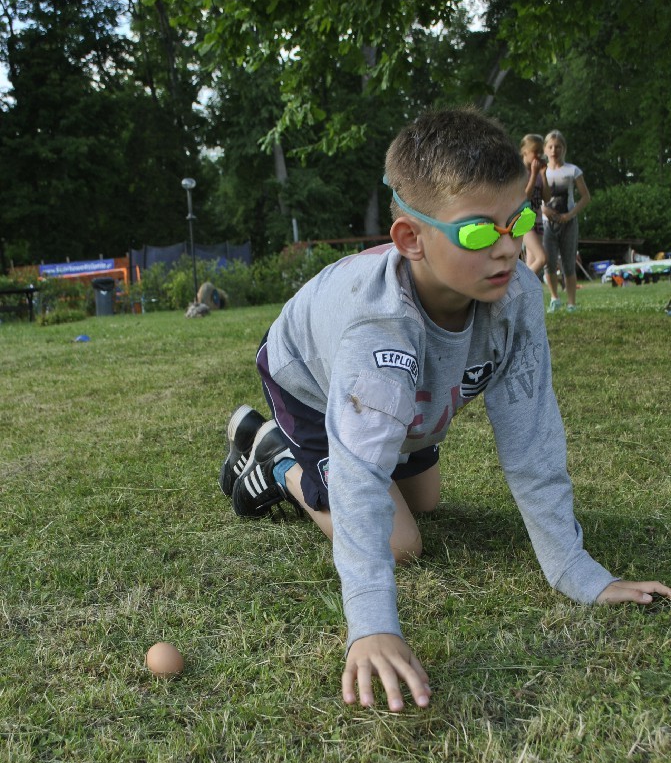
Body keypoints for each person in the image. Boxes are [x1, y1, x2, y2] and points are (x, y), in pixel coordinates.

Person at [219, 106, 670, 713]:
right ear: (411, 238)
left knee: (426, 500)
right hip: (312, 382)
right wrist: (372, 624)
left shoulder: (517, 298)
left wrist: (578, 572)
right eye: (479, 232)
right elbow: (360, 476)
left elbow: (531, 443)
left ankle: (310, 453)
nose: (509, 248)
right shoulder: (377, 333)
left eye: (519, 220)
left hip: (406, 392)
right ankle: (276, 456)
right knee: (401, 541)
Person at [542, 129, 591, 313]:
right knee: (548, 262)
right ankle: (555, 298)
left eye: (558, 147)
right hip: (547, 224)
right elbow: (532, 197)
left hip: (568, 222)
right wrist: (543, 210)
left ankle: (571, 303)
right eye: (550, 147)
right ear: (545, 149)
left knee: (569, 263)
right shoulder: (541, 172)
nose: (554, 150)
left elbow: (585, 197)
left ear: (564, 148)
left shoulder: (573, 170)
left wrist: (570, 215)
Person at [519, 133, 549, 276]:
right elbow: (524, 197)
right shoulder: (520, 173)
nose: (539, 155)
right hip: (523, 220)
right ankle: (520, 285)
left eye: (540, 152)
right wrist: (533, 174)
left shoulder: (538, 172)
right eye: (535, 151)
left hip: (537, 220)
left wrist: (543, 175)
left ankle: (526, 288)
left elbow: (547, 198)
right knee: (542, 258)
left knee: (531, 263)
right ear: (525, 152)